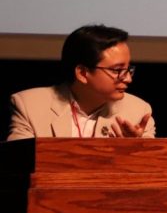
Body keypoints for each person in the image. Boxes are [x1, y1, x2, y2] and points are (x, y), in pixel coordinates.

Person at [8, 24, 154, 139]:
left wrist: (132, 149)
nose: (128, 78)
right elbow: (18, 163)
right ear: (82, 73)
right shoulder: (29, 106)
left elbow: (151, 165)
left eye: (128, 69)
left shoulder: (138, 112)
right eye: (117, 70)